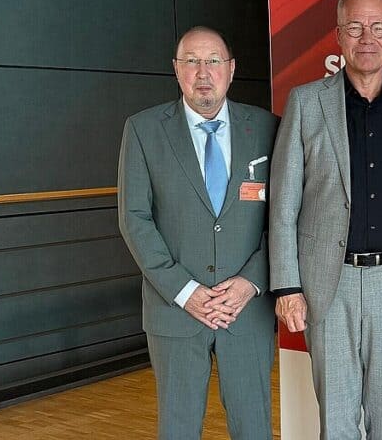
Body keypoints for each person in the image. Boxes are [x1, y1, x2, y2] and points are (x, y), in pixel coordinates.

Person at [269, 0, 382, 439]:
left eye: (378, 27)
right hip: (327, 284)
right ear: (338, 36)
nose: (367, 38)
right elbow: (284, 202)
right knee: (337, 418)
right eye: (355, 27)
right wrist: (287, 285)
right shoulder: (306, 102)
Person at [118, 26, 279, 439]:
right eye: (191, 61)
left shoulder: (268, 128)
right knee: (179, 428)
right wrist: (185, 291)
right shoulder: (143, 130)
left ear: (231, 69)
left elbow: (283, 218)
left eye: (213, 61)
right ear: (176, 69)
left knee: (253, 427)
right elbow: (134, 219)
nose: (203, 72)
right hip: (175, 311)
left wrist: (250, 282)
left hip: (246, 310)